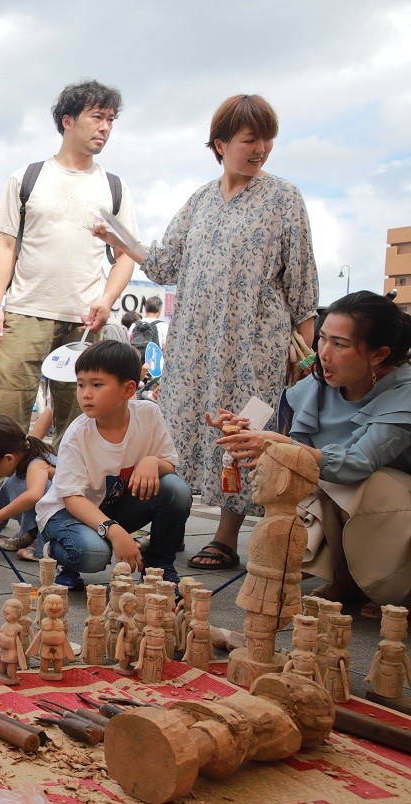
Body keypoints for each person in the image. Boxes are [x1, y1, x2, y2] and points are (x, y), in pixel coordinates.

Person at [93, 94, 318, 571]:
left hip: (256, 343)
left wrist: (306, 352)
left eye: (267, 138)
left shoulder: (284, 198)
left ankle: (226, 534)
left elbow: (301, 282)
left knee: (245, 430)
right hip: (195, 340)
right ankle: (169, 522)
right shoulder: (200, 199)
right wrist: (119, 240)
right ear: (220, 143)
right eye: (249, 139)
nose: (261, 148)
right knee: (179, 427)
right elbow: (164, 262)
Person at [214, 291, 411, 612]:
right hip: (346, 493)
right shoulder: (315, 386)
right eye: (322, 339)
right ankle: (347, 581)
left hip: (395, 503)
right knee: (309, 475)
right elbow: (283, 443)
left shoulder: (405, 393)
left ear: (379, 354)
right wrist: (243, 431)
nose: (323, 353)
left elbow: (358, 463)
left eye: (340, 344)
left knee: (362, 481)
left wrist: (283, 446)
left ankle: (396, 587)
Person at [0, 80, 139, 447]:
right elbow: (4, 244)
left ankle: (70, 497)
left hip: (86, 320)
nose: (105, 127)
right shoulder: (27, 178)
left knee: (81, 424)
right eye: (97, 117)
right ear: (67, 120)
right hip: (25, 312)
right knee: (7, 417)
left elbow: (126, 256)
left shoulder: (113, 187)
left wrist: (106, 299)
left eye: (111, 120)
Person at [34, 340, 191, 587]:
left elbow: (169, 464)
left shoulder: (148, 414)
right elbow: (72, 498)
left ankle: (159, 564)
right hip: (67, 513)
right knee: (94, 554)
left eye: (97, 385)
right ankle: (56, 550)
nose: (85, 394)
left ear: (128, 390)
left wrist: (152, 461)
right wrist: (115, 532)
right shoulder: (77, 434)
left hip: (111, 507)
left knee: (176, 490)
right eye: (80, 384)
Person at [0, 414, 57, 561]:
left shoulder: (37, 463)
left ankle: (47, 543)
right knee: (12, 483)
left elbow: (34, 495)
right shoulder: (25, 460)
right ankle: (30, 533)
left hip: (69, 517)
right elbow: (7, 491)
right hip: (57, 509)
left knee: (24, 488)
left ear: (9, 458)